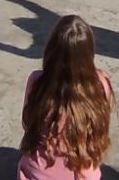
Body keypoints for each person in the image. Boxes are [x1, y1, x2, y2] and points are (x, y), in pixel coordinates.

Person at [19, 16, 113, 180]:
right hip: (83, 173)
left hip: (37, 174)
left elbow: (28, 123)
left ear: (51, 50)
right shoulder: (101, 84)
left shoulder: (37, 81)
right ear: (89, 53)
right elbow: (101, 129)